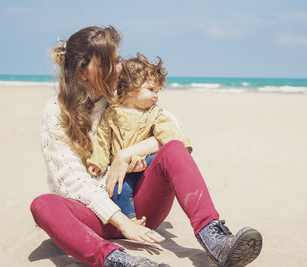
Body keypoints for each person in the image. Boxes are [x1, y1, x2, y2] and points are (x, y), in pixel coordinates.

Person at [30, 26, 263, 267]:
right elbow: (70, 181)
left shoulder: (118, 98)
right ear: (82, 72)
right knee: (43, 204)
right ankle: (117, 260)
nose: (120, 68)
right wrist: (122, 223)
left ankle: (214, 239)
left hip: (138, 210)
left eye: (119, 59)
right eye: (111, 62)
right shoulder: (56, 112)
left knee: (172, 148)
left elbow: (175, 129)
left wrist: (126, 154)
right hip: (92, 218)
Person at [86, 53, 192, 223]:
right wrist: (97, 162)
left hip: (146, 164)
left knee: (158, 159)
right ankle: (132, 220)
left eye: (157, 91)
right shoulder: (112, 113)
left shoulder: (155, 113)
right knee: (120, 190)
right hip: (125, 170)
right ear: (129, 87)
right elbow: (102, 141)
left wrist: (181, 147)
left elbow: (168, 131)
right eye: (151, 89)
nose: (156, 95)